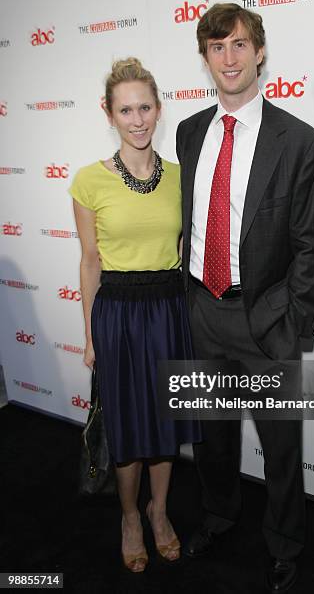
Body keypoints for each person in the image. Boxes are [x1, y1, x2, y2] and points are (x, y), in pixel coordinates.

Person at [176, 3, 314, 592]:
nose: (230, 58)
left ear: (260, 52)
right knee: (212, 437)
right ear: (206, 58)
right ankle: (218, 515)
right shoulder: (191, 132)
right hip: (201, 310)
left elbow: (312, 247)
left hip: (265, 318)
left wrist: (292, 321)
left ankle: (287, 541)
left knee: (281, 446)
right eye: (217, 48)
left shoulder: (300, 141)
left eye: (240, 44)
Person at [70, 58, 201, 573]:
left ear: (159, 109)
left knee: (166, 426)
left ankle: (159, 511)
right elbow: (89, 261)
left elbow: (189, 247)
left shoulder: (179, 177)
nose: (138, 118)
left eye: (145, 106)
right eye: (126, 109)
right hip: (118, 315)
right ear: (109, 113)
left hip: (170, 311)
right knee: (127, 432)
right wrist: (89, 336)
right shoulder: (87, 181)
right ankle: (129, 517)